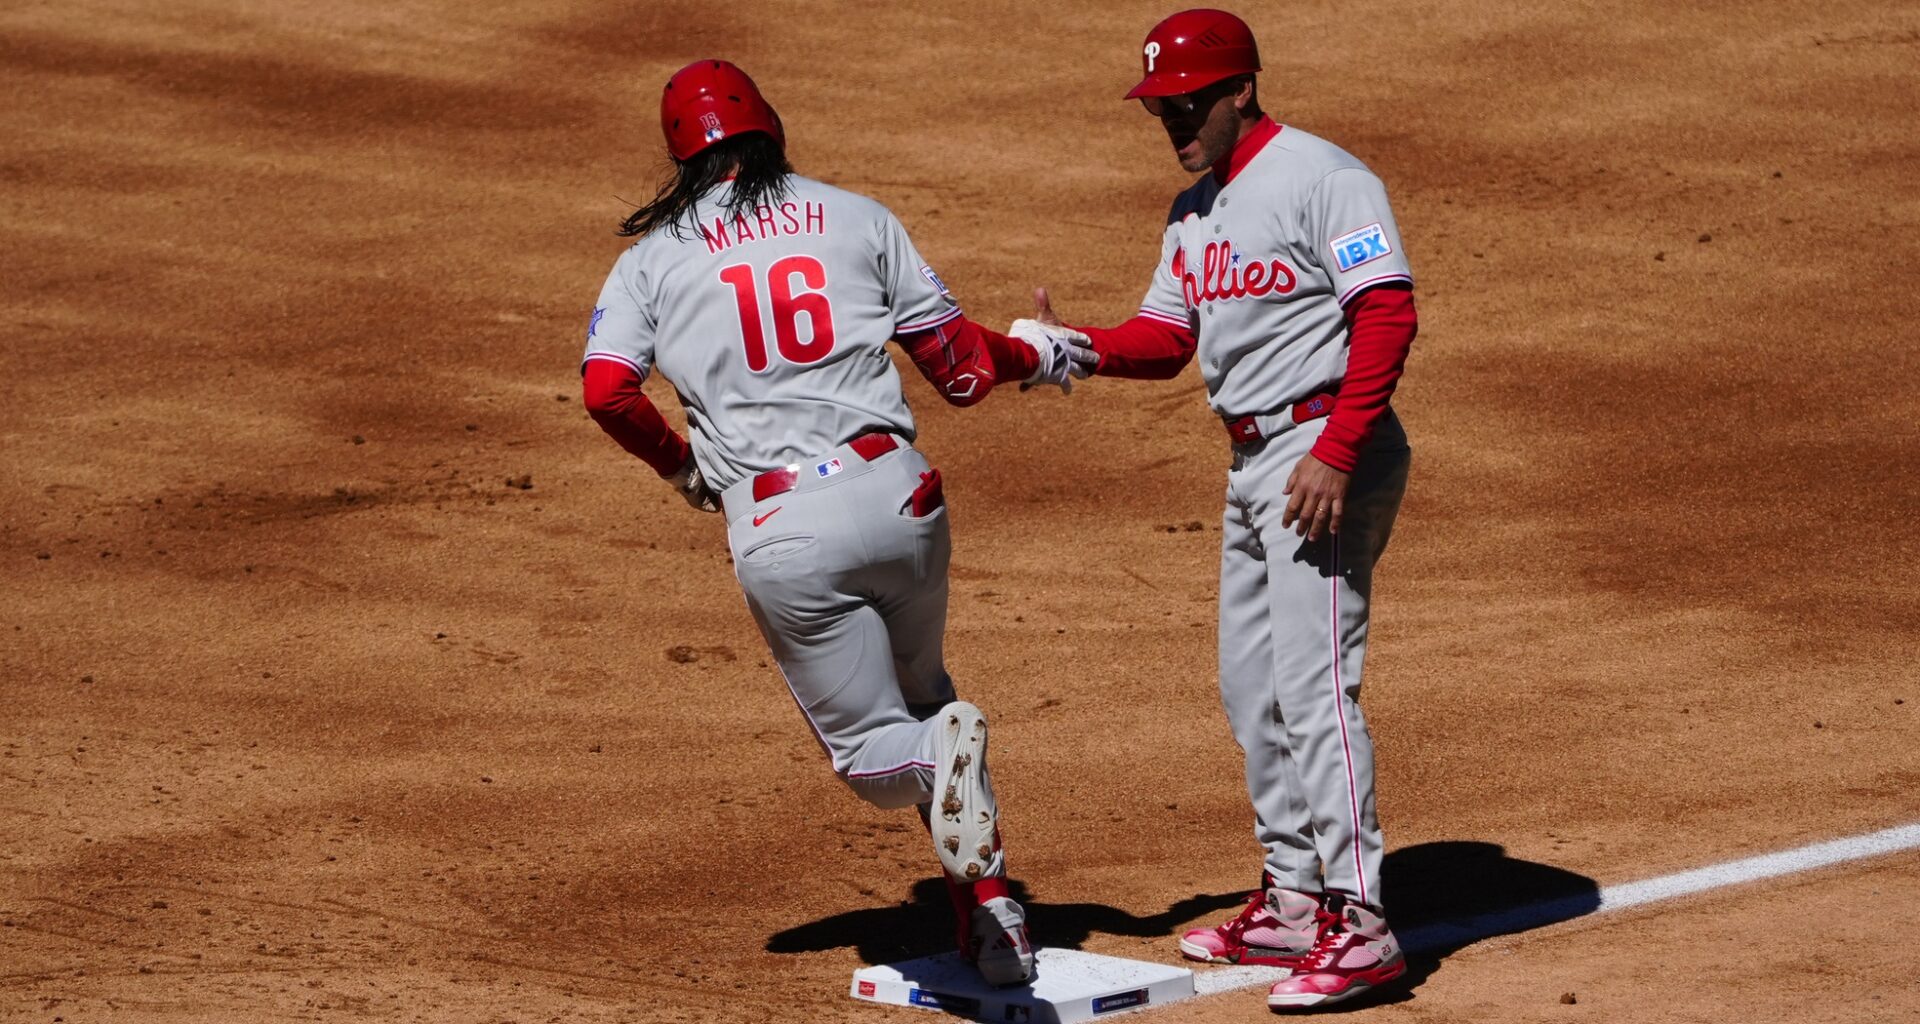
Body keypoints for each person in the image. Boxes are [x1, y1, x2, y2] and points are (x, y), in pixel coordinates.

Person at [579, 59, 1083, 987]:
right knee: (926, 688)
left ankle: (937, 759)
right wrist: (1041, 352)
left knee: (878, 756)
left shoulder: (651, 258)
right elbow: (965, 370)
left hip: (784, 529)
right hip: (904, 497)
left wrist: (682, 466)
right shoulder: (856, 214)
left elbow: (606, 391)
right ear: (770, 127)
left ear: (680, 156)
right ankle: (996, 920)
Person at [1014, 9, 1420, 1011]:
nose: (1172, 120)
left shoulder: (1327, 177)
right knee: (1252, 684)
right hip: (1253, 465)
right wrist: (1081, 348)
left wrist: (1336, 448)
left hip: (1325, 452)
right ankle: (1291, 897)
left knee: (1316, 685)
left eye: (1188, 102)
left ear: (1242, 89)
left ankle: (1362, 925)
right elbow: (1166, 335)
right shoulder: (1193, 211)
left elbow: (1387, 310)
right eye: (1160, 106)